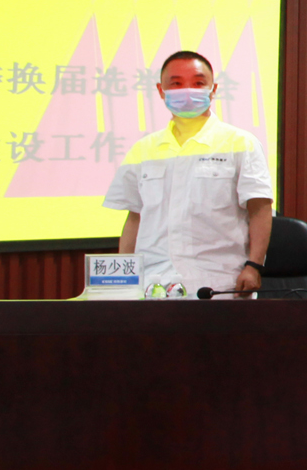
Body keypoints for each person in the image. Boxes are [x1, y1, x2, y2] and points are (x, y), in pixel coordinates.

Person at [103, 50, 274, 299]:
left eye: (198, 83)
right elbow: (135, 218)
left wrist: (254, 265)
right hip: (153, 283)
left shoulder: (240, 143)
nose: (187, 91)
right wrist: (124, 279)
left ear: (213, 89)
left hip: (220, 281)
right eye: (176, 83)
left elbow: (260, 209)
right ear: (161, 91)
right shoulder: (143, 149)